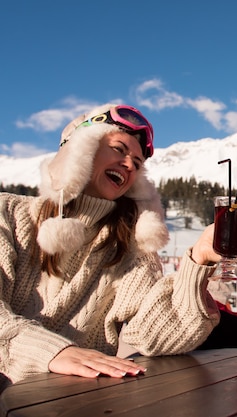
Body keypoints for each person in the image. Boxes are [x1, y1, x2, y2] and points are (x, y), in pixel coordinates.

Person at [0, 104, 223, 391]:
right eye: (119, 149)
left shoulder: (128, 247)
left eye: (138, 163)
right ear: (81, 149)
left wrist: (199, 262)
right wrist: (51, 351)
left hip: (80, 402)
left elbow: (156, 336)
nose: (130, 165)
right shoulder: (8, 212)